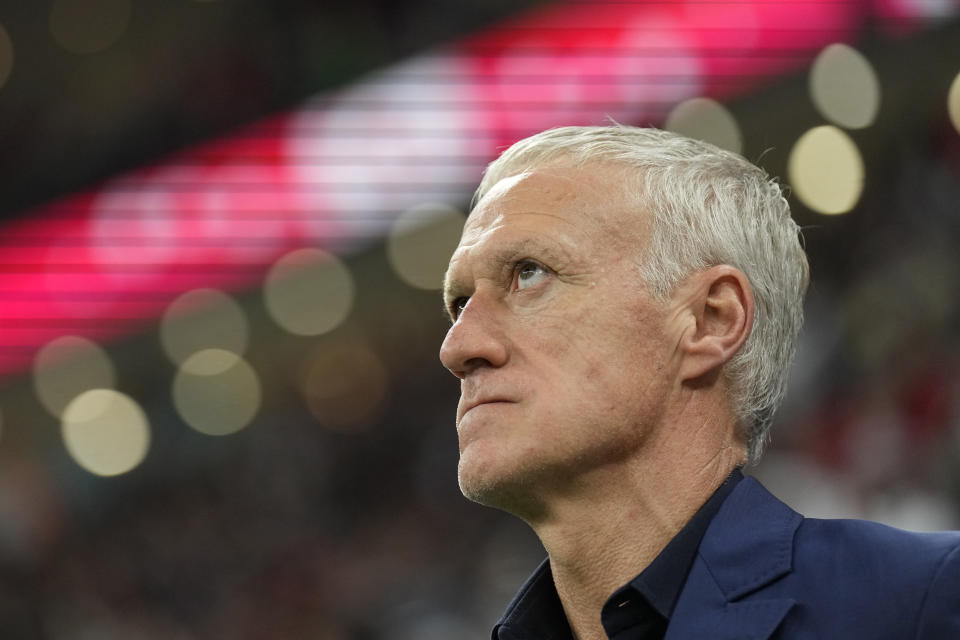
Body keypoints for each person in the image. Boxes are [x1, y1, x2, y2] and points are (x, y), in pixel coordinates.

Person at [438, 126, 960, 639]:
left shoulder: (922, 602)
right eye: (460, 303)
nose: (459, 348)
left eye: (530, 272)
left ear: (711, 320)